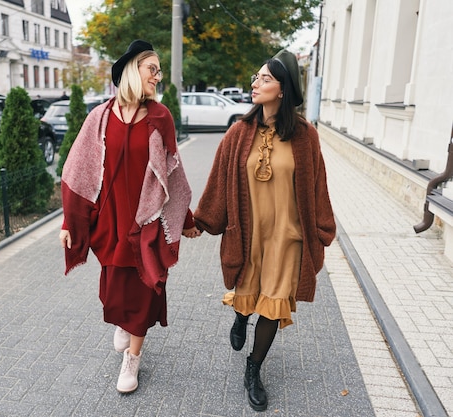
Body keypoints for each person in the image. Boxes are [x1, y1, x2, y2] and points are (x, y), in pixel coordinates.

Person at [191, 49, 336, 411]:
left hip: (288, 240)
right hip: (249, 233)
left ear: (283, 89)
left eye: (265, 78)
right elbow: (218, 181)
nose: (256, 83)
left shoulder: (306, 136)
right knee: (248, 293)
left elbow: (318, 185)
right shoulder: (239, 132)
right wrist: (202, 220)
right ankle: (241, 316)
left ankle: (253, 368)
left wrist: (321, 229)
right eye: (256, 77)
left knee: (273, 307)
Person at [59, 39, 200, 394]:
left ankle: (133, 359)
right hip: (109, 220)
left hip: (145, 221)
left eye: (159, 70)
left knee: (143, 290)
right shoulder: (100, 117)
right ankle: (122, 322)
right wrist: (68, 223)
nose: (158, 75)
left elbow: (173, 173)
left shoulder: (160, 117)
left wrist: (186, 220)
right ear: (131, 71)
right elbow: (77, 171)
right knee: (112, 291)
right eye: (152, 68)